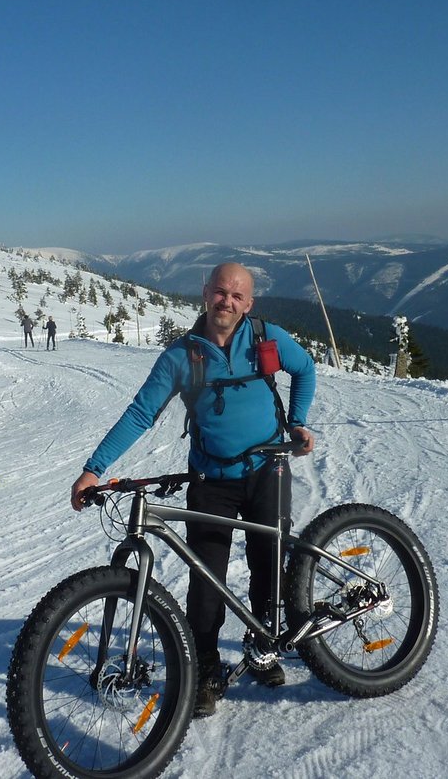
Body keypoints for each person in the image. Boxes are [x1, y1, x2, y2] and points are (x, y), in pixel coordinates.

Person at [70, 262, 316, 719]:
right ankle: (204, 665)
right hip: (211, 480)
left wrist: (297, 421)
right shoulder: (182, 356)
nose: (228, 302)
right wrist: (93, 469)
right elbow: (141, 414)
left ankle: (263, 644)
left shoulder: (267, 338)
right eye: (221, 292)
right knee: (207, 579)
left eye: (238, 296)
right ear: (206, 293)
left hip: (268, 470)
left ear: (249, 303)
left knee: (268, 560)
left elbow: (305, 369)